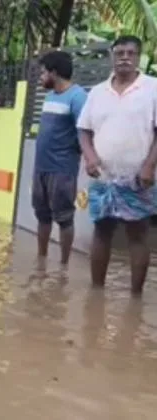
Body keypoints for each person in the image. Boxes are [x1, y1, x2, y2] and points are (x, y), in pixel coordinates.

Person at [77, 35, 157, 295]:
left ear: (138, 57)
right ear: (112, 56)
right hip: (103, 177)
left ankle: (135, 297)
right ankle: (96, 293)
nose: (124, 58)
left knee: (138, 234)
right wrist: (89, 157)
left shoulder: (152, 88)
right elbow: (83, 130)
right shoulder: (98, 92)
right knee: (101, 230)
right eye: (120, 53)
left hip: (138, 177)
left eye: (130, 53)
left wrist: (149, 166)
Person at [31, 50, 87, 269]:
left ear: (54, 73)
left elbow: (84, 132)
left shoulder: (78, 97)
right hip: (41, 168)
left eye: (43, 72)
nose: (41, 77)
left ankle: (64, 265)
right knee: (42, 215)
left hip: (62, 169)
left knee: (64, 217)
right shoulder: (50, 96)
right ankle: (41, 260)